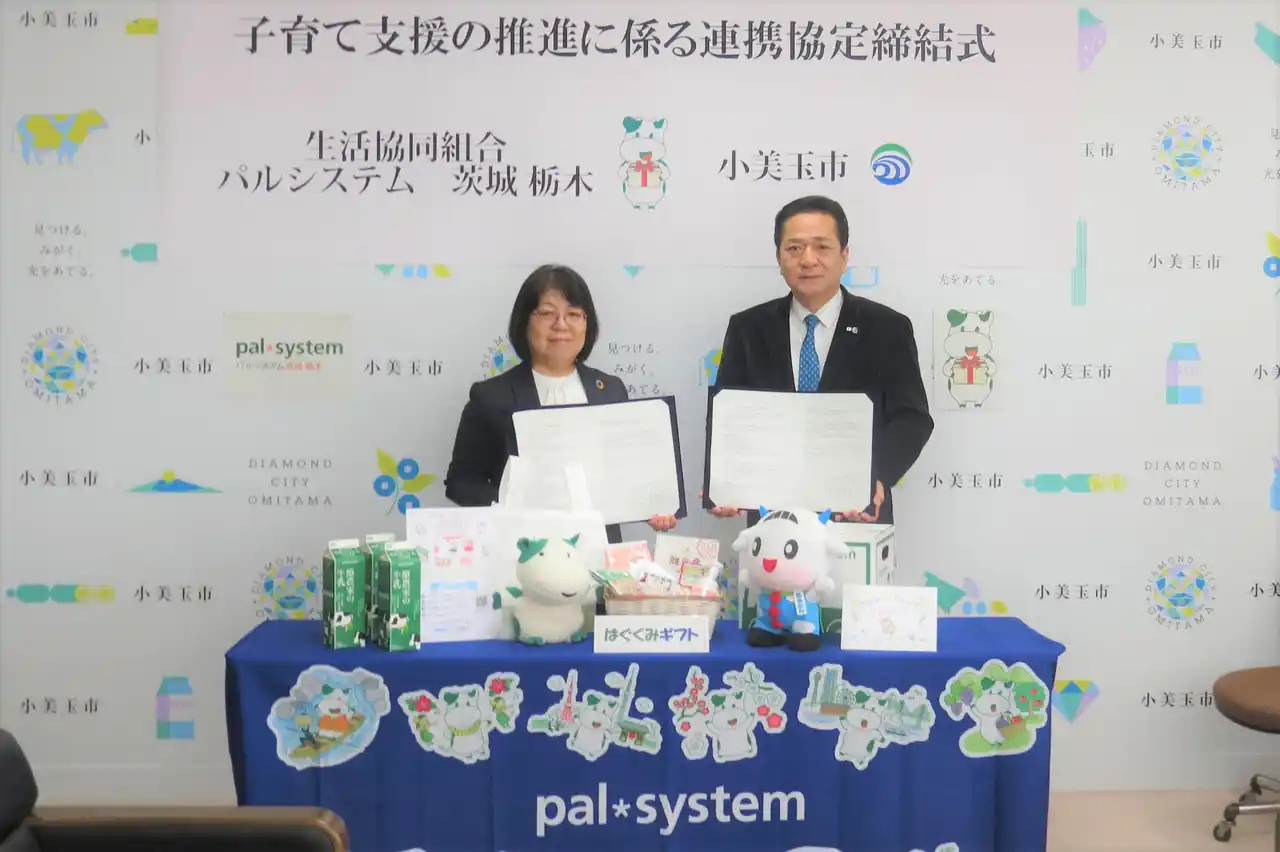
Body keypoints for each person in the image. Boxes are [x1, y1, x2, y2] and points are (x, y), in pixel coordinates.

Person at [708, 195, 933, 527]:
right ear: (779, 258)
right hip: (772, 520)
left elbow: (911, 418)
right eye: (794, 248)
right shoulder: (748, 327)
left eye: (822, 247)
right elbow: (730, 415)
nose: (808, 260)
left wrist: (876, 478)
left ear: (844, 255)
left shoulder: (887, 328)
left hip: (856, 514)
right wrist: (725, 480)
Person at [445, 263, 678, 543]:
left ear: (587, 324)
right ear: (524, 322)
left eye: (574, 314)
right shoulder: (491, 397)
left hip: (599, 550)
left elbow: (627, 475)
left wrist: (653, 505)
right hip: (522, 551)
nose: (561, 324)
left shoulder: (610, 390)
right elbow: (460, 483)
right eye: (547, 313)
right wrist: (515, 501)